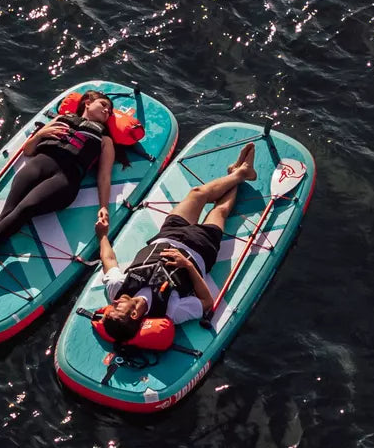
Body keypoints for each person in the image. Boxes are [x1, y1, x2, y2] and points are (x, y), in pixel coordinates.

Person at [94, 142, 257, 340]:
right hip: (200, 248)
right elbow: (206, 302)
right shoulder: (171, 311)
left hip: (168, 234)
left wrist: (102, 235)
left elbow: (108, 260)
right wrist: (187, 265)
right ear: (134, 314)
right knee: (219, 211)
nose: (115, 303)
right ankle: (239, 173)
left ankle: (239, 174)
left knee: (197, 193)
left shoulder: (117, 290)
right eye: (117, 309)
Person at [0, 91, 116, 273]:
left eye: (110, 111)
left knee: (26, 208)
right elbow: (28, 151)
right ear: (87, 102)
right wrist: (40, 134)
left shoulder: (104, 140)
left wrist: (104, 206)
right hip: (40, 163)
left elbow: (104, 176)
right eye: (103, 104)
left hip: (65, 178)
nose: (107, 111)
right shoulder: (63, 119)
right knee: (8, 211)